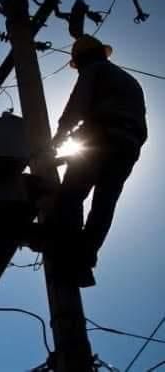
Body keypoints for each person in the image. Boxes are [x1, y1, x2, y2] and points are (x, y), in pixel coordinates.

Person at [50, 35, 147, 285]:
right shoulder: (129, 80)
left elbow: (77, 105)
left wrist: (59, 137)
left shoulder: (94, 70)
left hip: (102, 137)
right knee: (105, 203)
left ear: (82, 59)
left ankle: (68, 253)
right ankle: (84, 258)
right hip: (128, 145)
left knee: (70, 195)